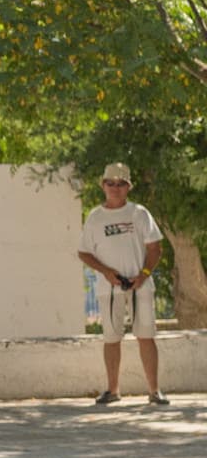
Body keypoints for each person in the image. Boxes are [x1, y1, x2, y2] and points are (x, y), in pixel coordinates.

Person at [78, 163, 167, 406]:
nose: (115, 188)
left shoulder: (139, 213)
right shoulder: (95, 217)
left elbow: (155, 248)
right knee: (111, 338)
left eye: (121, 184)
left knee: (146, 336)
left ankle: (155, 390)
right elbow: (84, 253)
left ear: (128, 187)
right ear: (102, 185)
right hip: (110, 289)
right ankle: (112, 389)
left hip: (142, 288)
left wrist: (144, 274)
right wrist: (106, 272)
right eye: (110, 183)